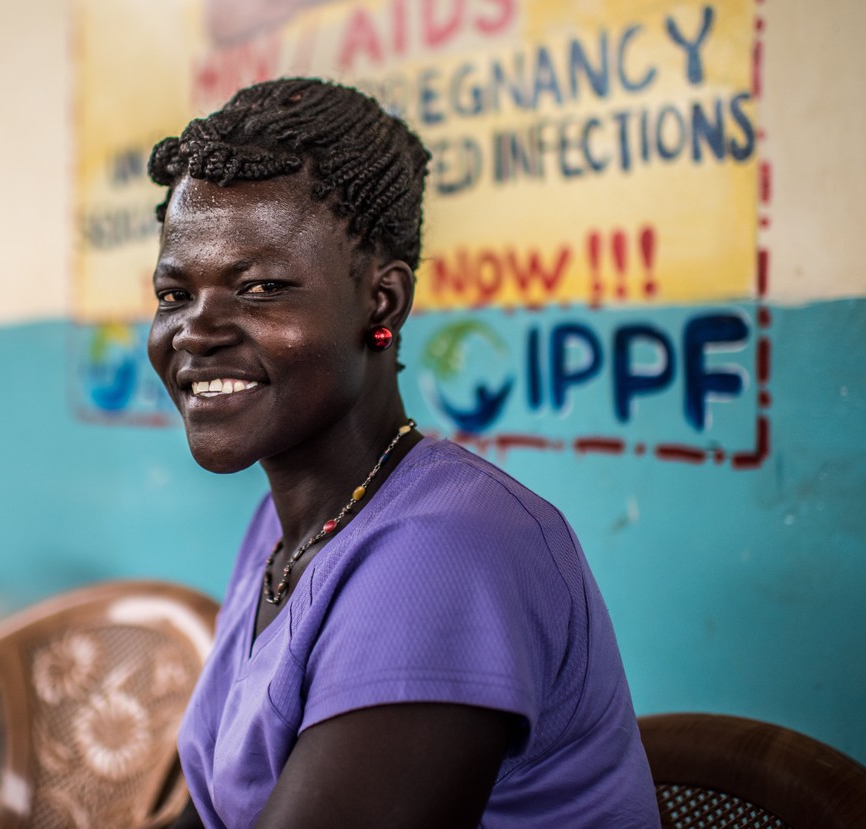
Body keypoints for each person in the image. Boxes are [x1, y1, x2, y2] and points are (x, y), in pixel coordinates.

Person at [146, 77, 658, 828]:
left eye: (258, 287)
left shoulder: (449, 550)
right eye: (172, 294)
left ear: (381, 302)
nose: (195, 329)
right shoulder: (289, 525)